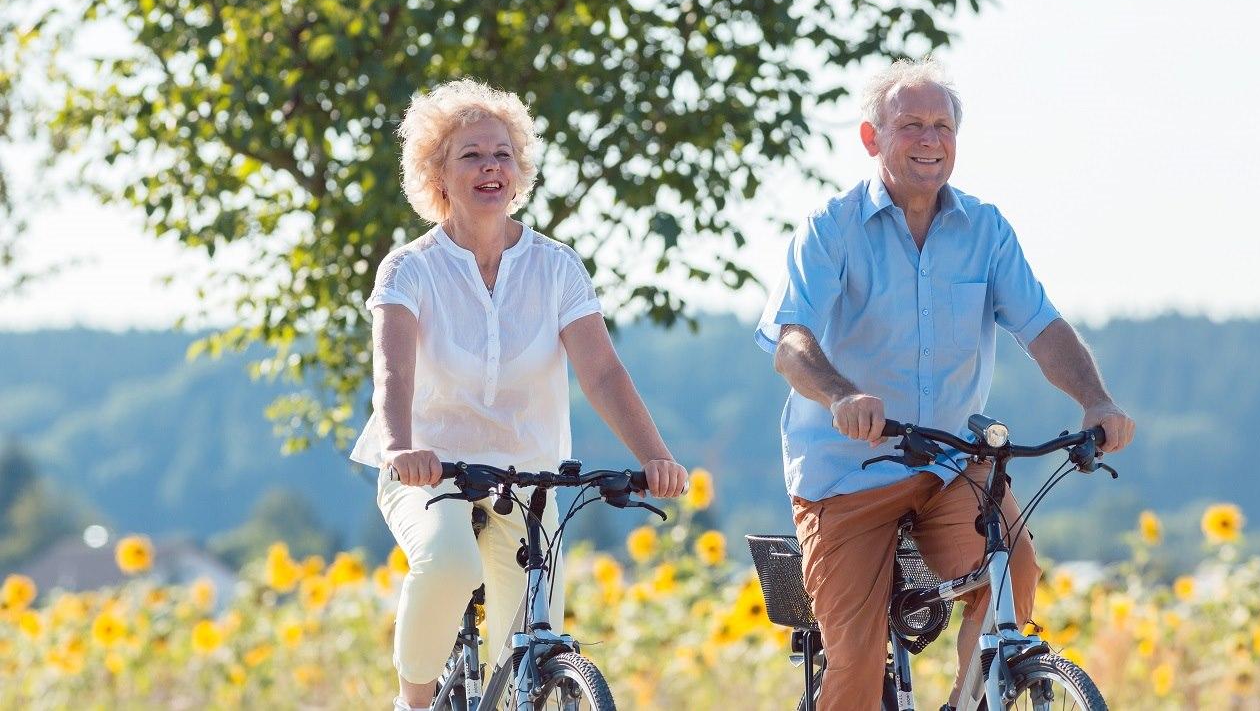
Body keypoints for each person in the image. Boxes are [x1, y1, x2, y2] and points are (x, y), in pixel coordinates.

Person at [754, 58, 1136, 711]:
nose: (929, 139)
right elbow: (791, 344)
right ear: (873, 138)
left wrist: (1095, 400)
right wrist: (842, 395)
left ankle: (967, 698)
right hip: (846, 471)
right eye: (911, 125)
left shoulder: (984, 229)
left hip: (949, 459)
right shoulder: (832, 227)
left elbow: (1042, 329)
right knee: (852, 673)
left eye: (942, 126)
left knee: (1010, 573)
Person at [348, 79, 688, 711]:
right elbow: (393, 373)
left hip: (530, 477)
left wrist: (654, 457)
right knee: (450, 564)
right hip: (431, 470)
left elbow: (604, 373)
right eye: (471, 155)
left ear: (520, 169)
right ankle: (413, 701)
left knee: (526, 648)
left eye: (502, 154)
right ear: (438, 172)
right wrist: (401, 447)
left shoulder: (556, 266)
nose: (490, 168)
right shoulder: (409, 268)